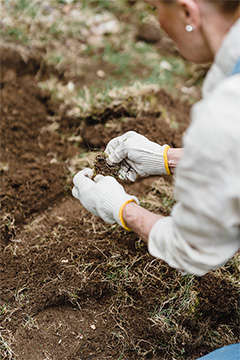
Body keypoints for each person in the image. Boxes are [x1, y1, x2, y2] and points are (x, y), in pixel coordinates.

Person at [72, 1, 240, 357]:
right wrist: (168, 159)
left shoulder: (226, 111)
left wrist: (122, 210)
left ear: (188, 12)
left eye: (154, 6)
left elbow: (194, 248)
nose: (157, 22)